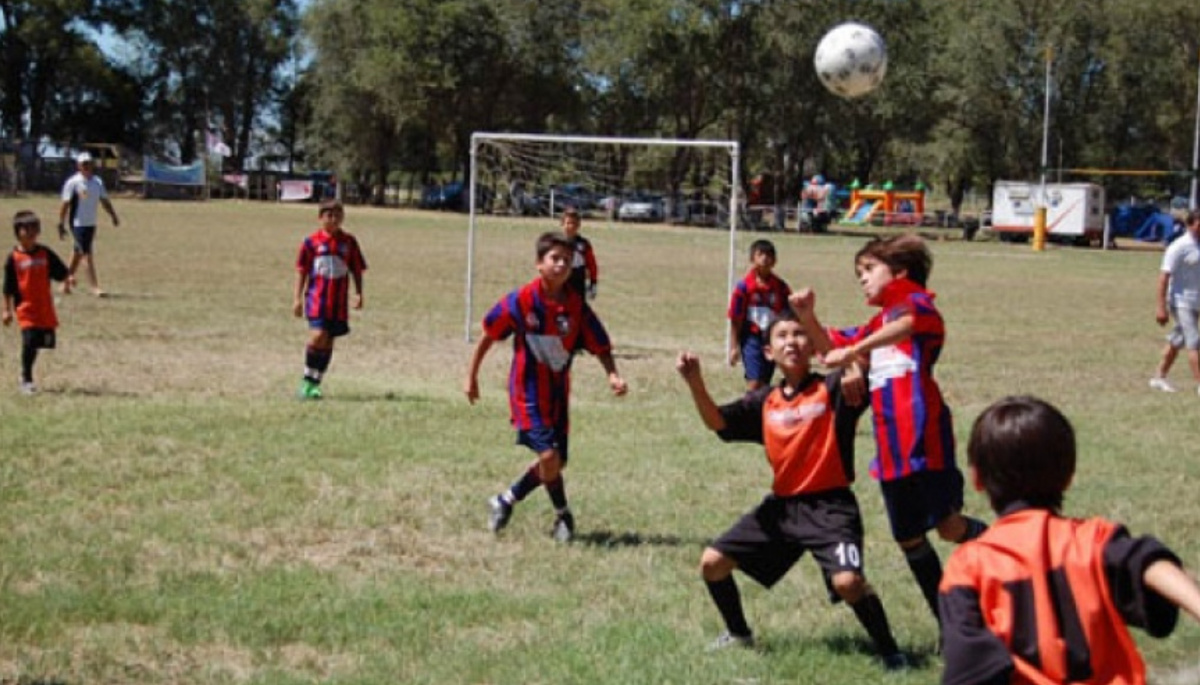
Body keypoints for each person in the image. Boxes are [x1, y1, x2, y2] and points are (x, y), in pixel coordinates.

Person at [677, 314, 908, 669]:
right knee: (712, 564)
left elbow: (867, 362)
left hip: (831, 507)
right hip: (782, 509)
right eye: (782, 336)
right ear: (769, 352)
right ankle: (739, 634)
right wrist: (695, 382)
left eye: (800, 335)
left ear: (814, 348)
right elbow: (718, 423)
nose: (791, 341)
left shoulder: (834, 389)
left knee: (848, 583)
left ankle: (892, 652)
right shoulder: (764, 401)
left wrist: (846, 363)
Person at [790, 233, 988, 629]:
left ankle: (1011, 546)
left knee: (949, 527)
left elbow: (910, 326)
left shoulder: (918, 304)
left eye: (868, 270)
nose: (861, 279)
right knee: (909, 538)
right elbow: (831, 346)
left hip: (925, 442)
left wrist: (852, 352)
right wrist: (807, 317)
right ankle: (949, 626)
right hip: (891, 452)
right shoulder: (878, 323)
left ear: (899, 272)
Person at [940, 395, 1200, 684]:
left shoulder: (969, 567)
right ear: (1069, 476)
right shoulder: (1092, 541)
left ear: (976, 479)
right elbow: (1145, 561)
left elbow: (967, 668)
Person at [464, 231, 627, 542]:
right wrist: (471, 376)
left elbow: (600, 344)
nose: (562, 265)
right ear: (539, 263)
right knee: (550, 457)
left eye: (567, 260)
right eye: (555, 258)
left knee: (555, 461)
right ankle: (564, 516)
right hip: (526, 393)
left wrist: (612, 375)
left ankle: (505, 500)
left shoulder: (576, 307)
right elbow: (488, 334)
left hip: (557, 394)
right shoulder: (521, 301)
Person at [292, 200, 366, 400]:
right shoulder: (311, 242)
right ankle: (306, 380)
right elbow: (302, 271)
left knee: (328, 341)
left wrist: (359, 293)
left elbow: (357, 269)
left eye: (338, 216)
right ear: (320, 218)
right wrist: (297, 298)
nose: (334, 220)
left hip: (339, 302)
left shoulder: (349, 242)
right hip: (317, 300)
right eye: (329, 216)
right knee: (317, 336)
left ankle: (316, 383)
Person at [3, 210, 72, 394]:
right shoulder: (14, 258)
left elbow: (61, 271)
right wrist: (7, 310)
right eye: (27, 230)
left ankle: (28, 371)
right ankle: (26, 378)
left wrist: (68, 281)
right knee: (30, 340)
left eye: (35, 230)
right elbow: (7, 287)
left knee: (44, 341)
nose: (32, 234)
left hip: (44, 306)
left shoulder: (44, 253)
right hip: (25, 308)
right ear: (18, 232)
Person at [728, 239, 792, 392]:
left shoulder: (781, 288)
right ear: (752, 258)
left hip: (772, 339)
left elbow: (790, 315)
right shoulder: (743, 287)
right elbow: (735, 319)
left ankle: (758, 413)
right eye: (760, 254)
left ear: (775, 260)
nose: (765, 258)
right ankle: (747, 413)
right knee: (754, 383)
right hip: (752, 338)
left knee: (764, 384)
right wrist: (734, 346)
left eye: (769, 255)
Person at [1149, 210, 1200, 394]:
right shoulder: (1179, 246)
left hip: (1197, 301)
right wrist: (1161, 307)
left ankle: (1159, 377)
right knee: (1194, 341)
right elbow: (1164, 277)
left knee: (1178, 339)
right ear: (1190, 224)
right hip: (1181, 301)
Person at [58, 151, 119, 297]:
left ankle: (65, 283)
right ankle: (95, 287)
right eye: (84, 164)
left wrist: (113, 215)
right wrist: (61, 223)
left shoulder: (97, 182)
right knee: (86, 255)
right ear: (78, 165)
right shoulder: (73, 183)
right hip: (77, 224)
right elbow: (65, 204)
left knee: (77, 254)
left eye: (89, 163)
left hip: (91, 223)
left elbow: (104, 200)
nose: (87, 166)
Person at [561, 206, 598, 299]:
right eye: (568, 223)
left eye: (574, 223)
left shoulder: (583, 244)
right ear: (562, 224)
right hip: (560, 279)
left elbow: (592, 264)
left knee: (577, 309)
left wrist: (593, 283)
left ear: (578, 225)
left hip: (578, 280)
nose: (571, 226)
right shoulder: (556, 242)